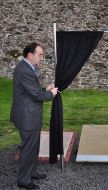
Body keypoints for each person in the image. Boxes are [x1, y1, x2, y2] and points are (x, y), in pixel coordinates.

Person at [10, 42, 58, 189]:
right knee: (28, 148)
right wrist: (51, 93)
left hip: (29, 116)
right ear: (30, 55)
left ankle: (32, 173)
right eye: (40, 55)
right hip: (27, 117)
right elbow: (36, 95)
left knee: (33, 146)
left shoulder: (27, 68)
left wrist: (45, 88)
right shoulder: (24, 70)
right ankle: (24, 180)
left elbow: (31, 90)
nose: (42, 58)